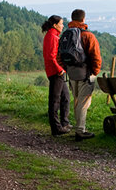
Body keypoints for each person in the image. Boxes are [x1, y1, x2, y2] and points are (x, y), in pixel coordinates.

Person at [61, 9, 101, 140]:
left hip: (72, 73)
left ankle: (79, 127)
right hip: (85, 74)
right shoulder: (88, 36)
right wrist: (94, 72)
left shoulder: (65, 34)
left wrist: (66, 68)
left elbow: (59, 55)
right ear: (83, 19)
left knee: (77, 100)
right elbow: (96, 57)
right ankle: (80, 130)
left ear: (72, 19)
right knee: (83, 103)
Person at [41, 15, 71, 136]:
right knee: (55, 100)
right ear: (55, 25)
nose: (63, 25)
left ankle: (64, 123)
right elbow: (51, 57)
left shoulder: (52, 35)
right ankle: (56, 128)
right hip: (55, 72)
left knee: (65, 97)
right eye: (61, 23)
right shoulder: (52, 36)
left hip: (56, 71)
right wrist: (59, 69)